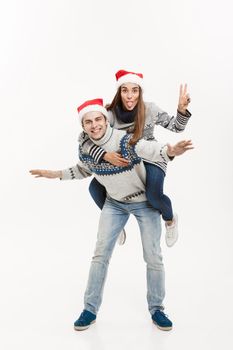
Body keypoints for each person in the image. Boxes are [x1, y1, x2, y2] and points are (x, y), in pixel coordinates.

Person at [30, 98, 193, 332]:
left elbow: (149, 149)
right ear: (83, 126)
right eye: (88, 122)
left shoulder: (124, 140)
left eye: (98, 119)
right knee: (100, 256)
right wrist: (55, 174)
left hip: (143, 203)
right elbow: (83, 169)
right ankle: (90, 309)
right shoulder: (86, 147)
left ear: (106, 120)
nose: (94, 125)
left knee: (153, 257)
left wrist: (170, 150)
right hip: (114, 204)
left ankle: (157, 309)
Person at [79, 70, 192, 247]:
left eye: (135, 90)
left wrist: (181, 110)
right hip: (125, 162)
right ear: (119, 92)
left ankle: (170, 219)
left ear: (140, 92)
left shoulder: (150, 109)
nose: (130, 96)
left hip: (152, 157)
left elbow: (176, 127)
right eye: (125, 90)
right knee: (94, 188)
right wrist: (104, 155)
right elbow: (84, 139)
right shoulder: (108, 114)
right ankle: (115, 225)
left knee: (153, 195)